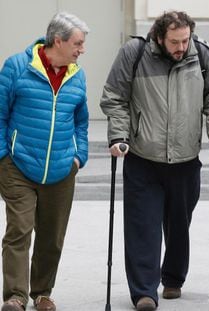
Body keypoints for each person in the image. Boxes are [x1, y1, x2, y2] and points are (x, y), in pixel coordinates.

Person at [100, 10, 209, 311]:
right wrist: (118, 135)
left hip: (185, 159)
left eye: (185, 40)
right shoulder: (134, 53)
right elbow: (114, 96)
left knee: (179, 225)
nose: (181, 47)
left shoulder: (203, 55)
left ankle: (173, 278)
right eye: (174, 41)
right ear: (159, 36)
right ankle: (144, 291)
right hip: (143, 158)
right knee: (142, 226)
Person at [0, 12, 89, 311]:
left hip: (62, 169)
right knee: (19, 230)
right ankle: (14, 295)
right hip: (18, 166)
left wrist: (79, 157)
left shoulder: (77, 74)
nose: (82, 49)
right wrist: (3, 157)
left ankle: (42, 292)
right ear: (58, 41)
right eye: (77, 43)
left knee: (52, 237)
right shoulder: (16, 66)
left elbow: (82, 122)